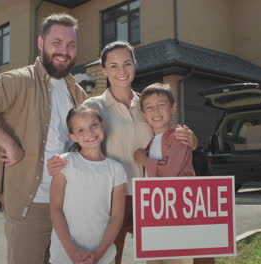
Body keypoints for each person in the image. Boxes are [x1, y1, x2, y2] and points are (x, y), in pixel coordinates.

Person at [47, 41, 198, 264]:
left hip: (152, 197)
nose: (122, 71)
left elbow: (168, 138)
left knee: (163, 258)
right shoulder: (94, 106)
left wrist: (192, 141)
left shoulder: (148, 104)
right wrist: (58, 162)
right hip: (110, 199)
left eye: (127, 63)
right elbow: (79, 142)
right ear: (104, 70)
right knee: (108, 258)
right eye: (114, 66)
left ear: (135, 65)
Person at [0, 13, 87, 264]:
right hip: (31, 206)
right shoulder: (19, 80)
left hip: (69, 206)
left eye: (71, 45)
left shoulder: (77, 92)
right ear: (41, 43)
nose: (64, 51)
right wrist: (8, 144)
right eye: (56, 43)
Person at [134, 83, 215, 264]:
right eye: (149, 107)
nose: (156, 111)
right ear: (143, 114)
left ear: (173, 107)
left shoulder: (179, 136)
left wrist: (143, 159)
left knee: (179, 256)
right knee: (156, 257)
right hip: (159, 208)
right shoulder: (153, 140)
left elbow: (169, 174)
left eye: (161, 105)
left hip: (178, 208)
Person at [49, 106, 126, 264]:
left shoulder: (116, 169)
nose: (89, 133)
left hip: (103, 257)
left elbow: (117, 217)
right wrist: (72, 253)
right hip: (64, 256)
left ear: (102, 125)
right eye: (80, 130)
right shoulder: (64, 163)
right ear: (73, 137)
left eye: (94, 125)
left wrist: (97, 255)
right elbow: (55, 209)